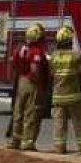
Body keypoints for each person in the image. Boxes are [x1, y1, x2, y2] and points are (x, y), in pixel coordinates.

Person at [48, 24, 81, 156]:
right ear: (70, 41)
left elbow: (50, 76)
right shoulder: (76, 56)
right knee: (79, 123)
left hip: (58, 96)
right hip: (74, 96)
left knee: (59, 123)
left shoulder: (53, 57)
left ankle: (59, 148)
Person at [8, 22, 50, 152]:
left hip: (21, 81)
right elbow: (35, 68)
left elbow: (14, 64)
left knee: (18, 112)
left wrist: (22, 75)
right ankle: (27, 142)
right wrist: (38, 82)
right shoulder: (36, 51)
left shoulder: (20, 49)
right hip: (33, 84)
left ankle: (15, 140)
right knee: (32, 113)